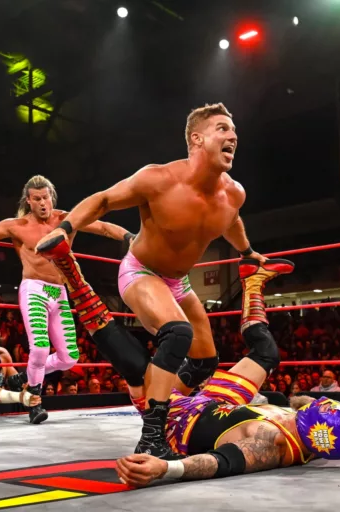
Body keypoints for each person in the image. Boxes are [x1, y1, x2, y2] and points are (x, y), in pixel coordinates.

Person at [36, 103, 268, 458]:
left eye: (233, 130)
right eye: (222, 128)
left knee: (205, 360)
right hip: (141, 271)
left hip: (180, 282)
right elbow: (104, 200)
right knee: (178, 333)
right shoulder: (159, 179)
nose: (233, 136)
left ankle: (163, 402)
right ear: (197, 139)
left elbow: (232, 220)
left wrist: (247, 252)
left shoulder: (233, 193)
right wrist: (65, 228)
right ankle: (152, 437)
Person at [37, 247, 340, 486]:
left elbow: (220, 463)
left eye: (324, 409)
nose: (320, 404)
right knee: (265, 354)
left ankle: (72, 274)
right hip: (218, 402)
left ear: (315, 429)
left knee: (136, 368)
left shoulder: (272, 445)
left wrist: (166, 469)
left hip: (179, 420)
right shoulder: (315, 431)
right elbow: (310, 405)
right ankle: (253, 282)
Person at [0, 175, 133, 424]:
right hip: (34, 288)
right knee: (40, 348)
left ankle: (24, 376)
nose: (43, 203)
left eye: (46, 197)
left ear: (51, 197)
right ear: (28, 201)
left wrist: (129, 237)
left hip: (60, 291)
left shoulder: (66, 220)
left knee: (69, 358)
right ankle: (34, 400)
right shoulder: (17, 226)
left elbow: (103, 227)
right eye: (37, 199)